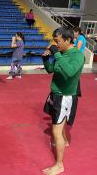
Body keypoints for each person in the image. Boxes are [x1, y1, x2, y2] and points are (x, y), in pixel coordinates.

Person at [42, 27, 84, 175]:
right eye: (55, 41)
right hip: (55, 95)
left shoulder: (77, 55)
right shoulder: (63, 53)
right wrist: (46, 59)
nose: (56, 44)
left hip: (65, 96)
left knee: (56, 130)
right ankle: (64, 142)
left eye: (58, 41)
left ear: (67, 40)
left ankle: (59, 165)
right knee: (57, 124)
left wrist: (57, 54)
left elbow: (70, 72)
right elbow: (50, 69)